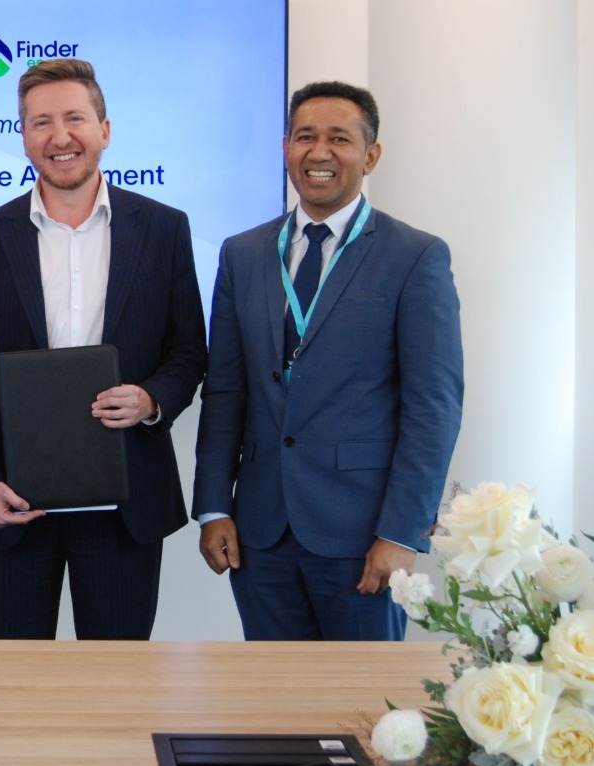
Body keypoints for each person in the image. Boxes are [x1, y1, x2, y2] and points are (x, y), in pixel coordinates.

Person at [0, 58, 207, 640]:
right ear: (24, 138)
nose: (59, 137)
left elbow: (188, 349)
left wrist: (151, 398)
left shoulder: (164, 229)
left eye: (74, 118)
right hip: (16, 502)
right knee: (15, 690)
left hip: (126, 503)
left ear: (104, 130)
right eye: (41, 123)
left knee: (118, 690)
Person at [193, 80, 464, 641]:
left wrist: (403, 532)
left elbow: (432, 408)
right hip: (260, 533)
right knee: (276, 707)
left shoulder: (414, 256)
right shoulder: (242, 253)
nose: (319, 153)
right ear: (287, 146)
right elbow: (225, 391)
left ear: (371, 155)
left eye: (339, 138)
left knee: (363, 711)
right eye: (305, 137)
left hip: (363, 535)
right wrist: (215, 505)